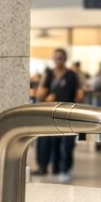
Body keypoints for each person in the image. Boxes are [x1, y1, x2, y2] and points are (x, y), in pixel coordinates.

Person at [33, 48, 81, 181]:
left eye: (60, 57)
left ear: (65, 59)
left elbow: (78, 94)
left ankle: (64, 169)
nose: (58, 60)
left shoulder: (71, 75)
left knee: (66, 143)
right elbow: (40, 95)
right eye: (56, 57)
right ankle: (43, 167)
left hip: (67, 113)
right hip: (51, 113)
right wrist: (44, 86)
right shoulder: (49, 75)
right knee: (46, 140)